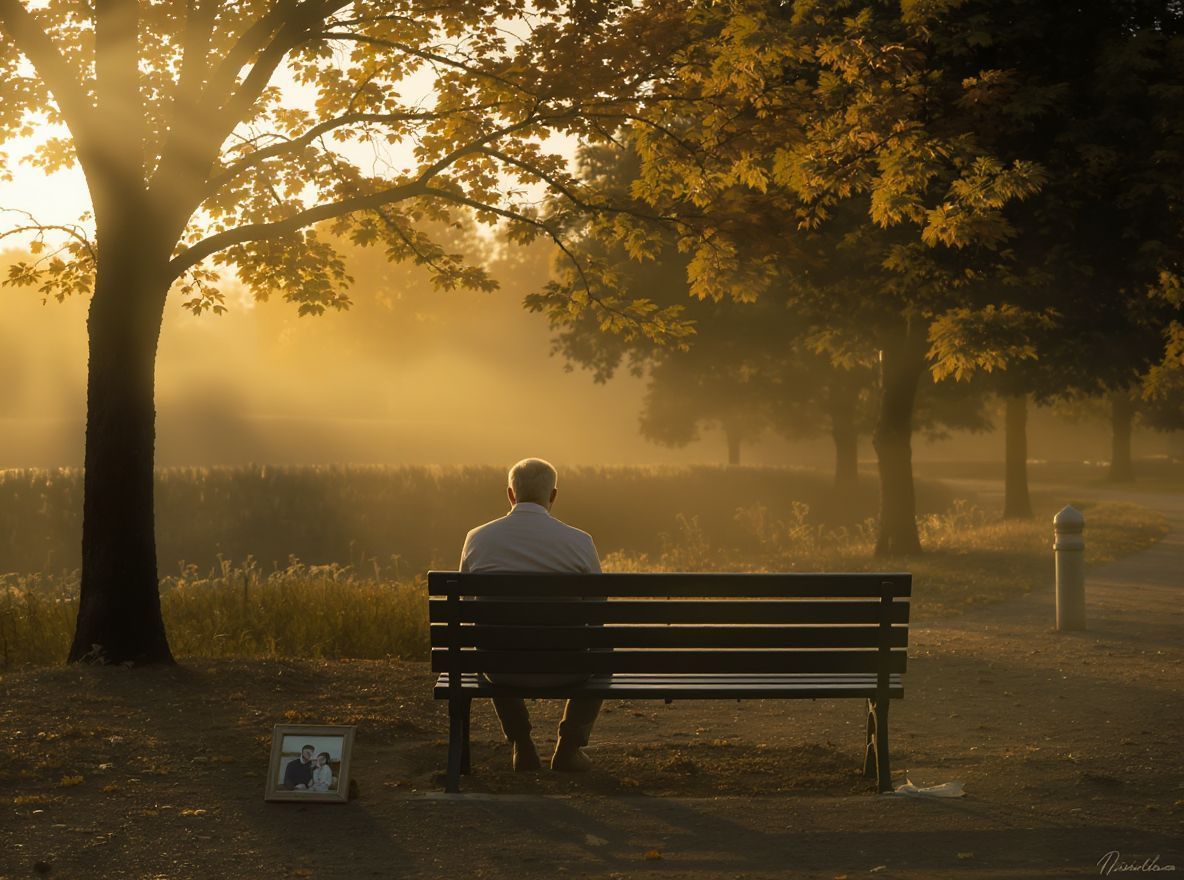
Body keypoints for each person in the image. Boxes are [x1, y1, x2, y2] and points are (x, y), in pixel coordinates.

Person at [459, 457, 602, 773]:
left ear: (510, 494)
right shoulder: (580, 541)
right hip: (569, 667)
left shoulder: (477, 538)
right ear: (553, 496)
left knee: (490, 643)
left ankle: (522, 745)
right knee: (603, 656)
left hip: (501, 669)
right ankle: (568, 748)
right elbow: (597, 612)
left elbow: (469, 607)